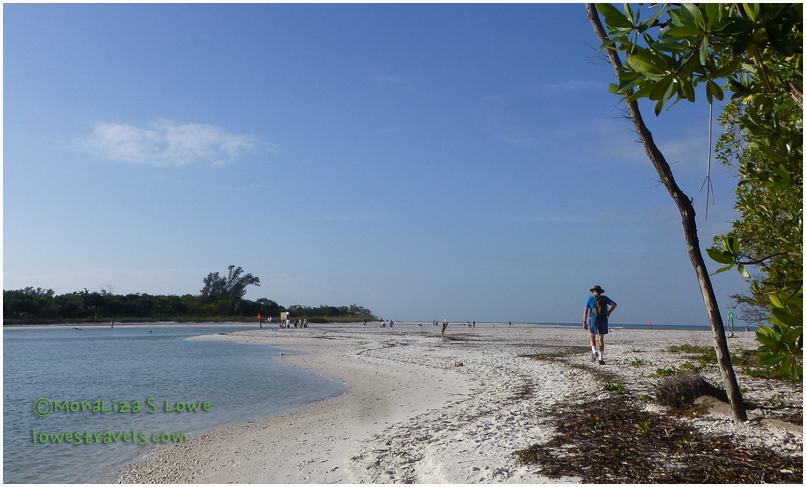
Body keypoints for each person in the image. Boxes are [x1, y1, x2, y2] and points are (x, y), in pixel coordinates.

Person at [582, 285, 617, 365]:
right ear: (600, 292)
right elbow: (614, 305)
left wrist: (584, 322)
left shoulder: (590, 298)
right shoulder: (604, 298)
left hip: (594, 319)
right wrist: (609, 312)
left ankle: (594, 352)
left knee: (592, 336)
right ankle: (601, 359)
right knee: (601, 338)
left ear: (593, 291)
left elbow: (586, 311)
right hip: (603, 319)